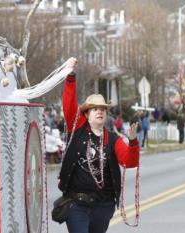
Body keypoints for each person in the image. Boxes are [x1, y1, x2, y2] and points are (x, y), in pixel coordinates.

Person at [58, 57, 140, 233]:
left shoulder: (113, 139)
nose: (100, 112)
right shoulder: (77, 129)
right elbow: (69, 104)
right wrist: (71, 76)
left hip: (103, 205)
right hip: (76, 203)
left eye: (102, 109)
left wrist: (132, 141)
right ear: (87, 114)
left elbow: (129, 162)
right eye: (95, 109)